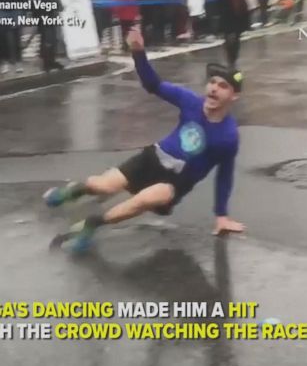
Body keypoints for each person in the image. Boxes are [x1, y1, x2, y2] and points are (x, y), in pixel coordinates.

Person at [43, 28, 245, 253]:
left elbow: (225, 176)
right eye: (213, 83)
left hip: (177, 181)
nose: (214, 89)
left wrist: (221, 215)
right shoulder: (190, 101)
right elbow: (153, 85)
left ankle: (92, 224)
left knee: (145, 199)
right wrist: (138, 52)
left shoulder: (228, 136)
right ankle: (73, 191)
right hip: (153, 158)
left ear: (234, 96)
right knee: (101, 185)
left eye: (223, 86)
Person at [217, 0, 250, 69]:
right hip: (229, 15)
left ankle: (232, 59)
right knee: (231, 37)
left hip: (236, 15)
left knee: (234, 38)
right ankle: (231, 59)